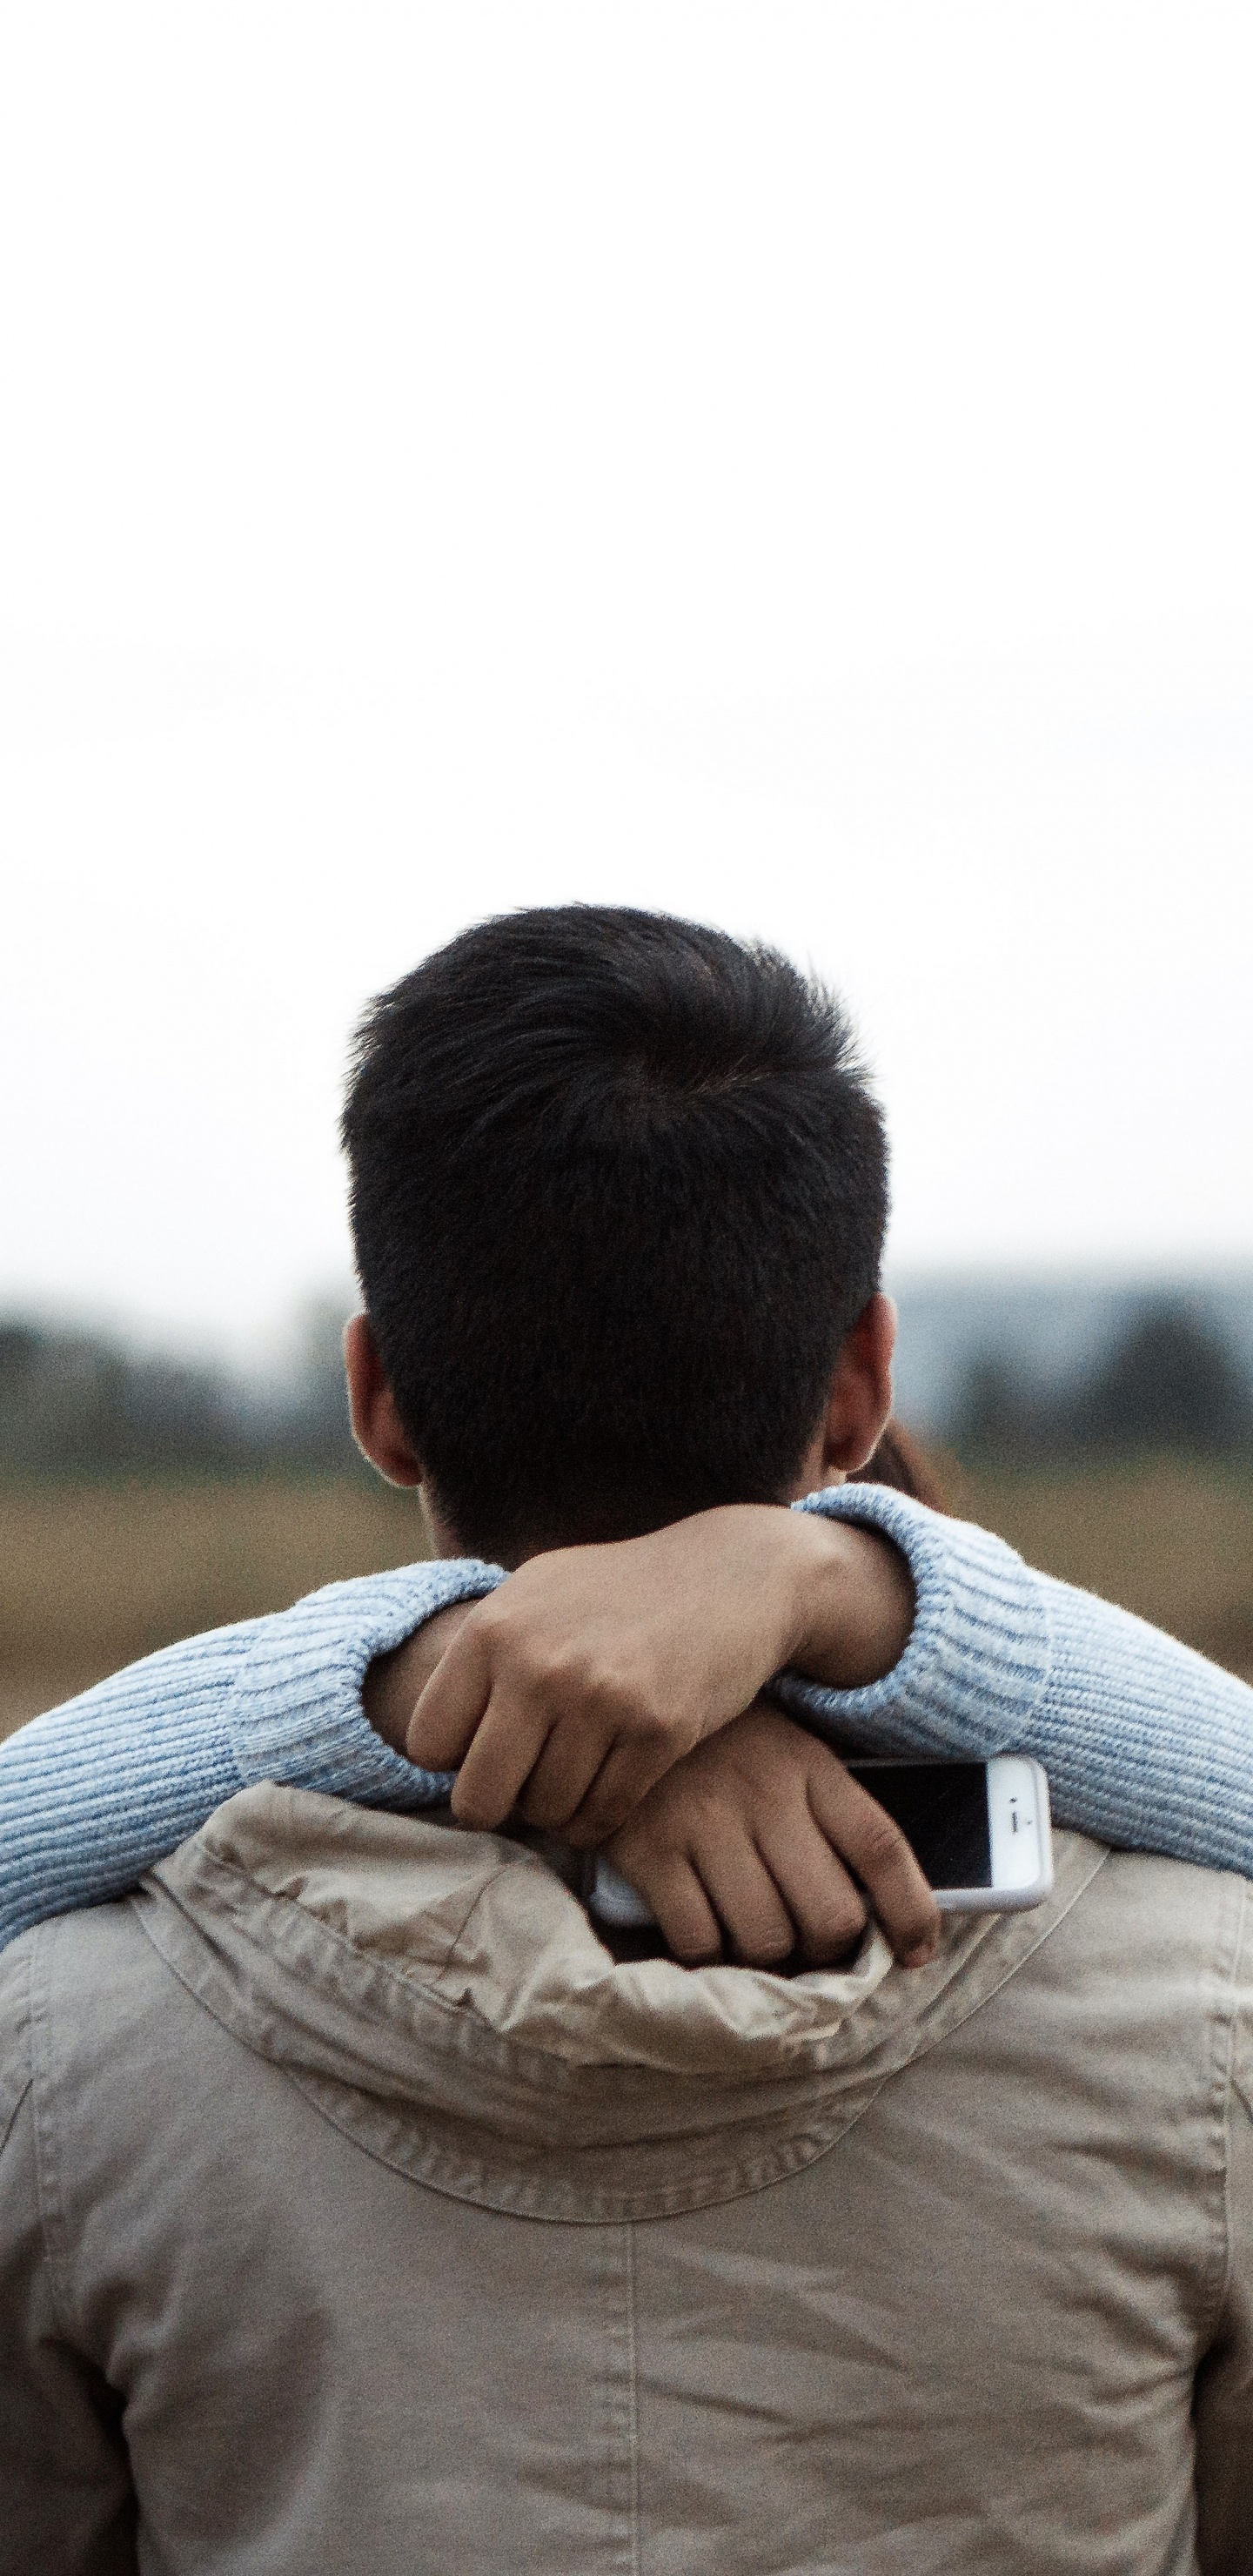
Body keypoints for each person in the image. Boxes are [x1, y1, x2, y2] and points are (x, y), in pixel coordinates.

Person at [3, 905, 1253, 2572]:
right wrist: (852, 1589)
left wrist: (392, 1690)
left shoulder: (68, 2066)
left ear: (376, 1393)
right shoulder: (1208, 2033)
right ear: (863, 1377)